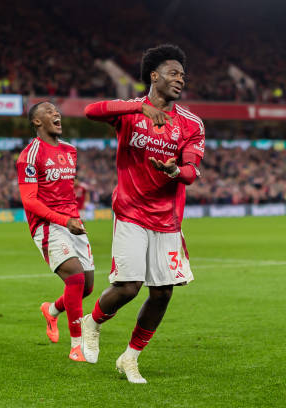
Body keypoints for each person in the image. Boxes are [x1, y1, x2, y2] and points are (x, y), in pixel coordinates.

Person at [80, 44, 205, 383]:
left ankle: (130, 357)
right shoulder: (130, 112)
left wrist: (175, 171)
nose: (180, 79)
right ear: (154, 75)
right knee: (129, 287)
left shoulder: (191, 123)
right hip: (131, 210)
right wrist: (142, 108)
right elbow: (91, 110)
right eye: (173, 73)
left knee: (163, 293)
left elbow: (192, 172)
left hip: (168, 219)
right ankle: (92, 322)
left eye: (183, 75)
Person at [16, 101, 95, 362]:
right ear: (37, 121)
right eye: (49, 111)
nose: (56, 113)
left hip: (72, 223)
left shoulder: (70, 150)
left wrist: (73, 218)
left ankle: (51, 310)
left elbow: (65, 192)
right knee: (74, 277)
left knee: (87, 287)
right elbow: (29, 200)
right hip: (47, 224)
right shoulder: (30, 155)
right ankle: (77, 346)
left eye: (57, 111)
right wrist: (61, 220)